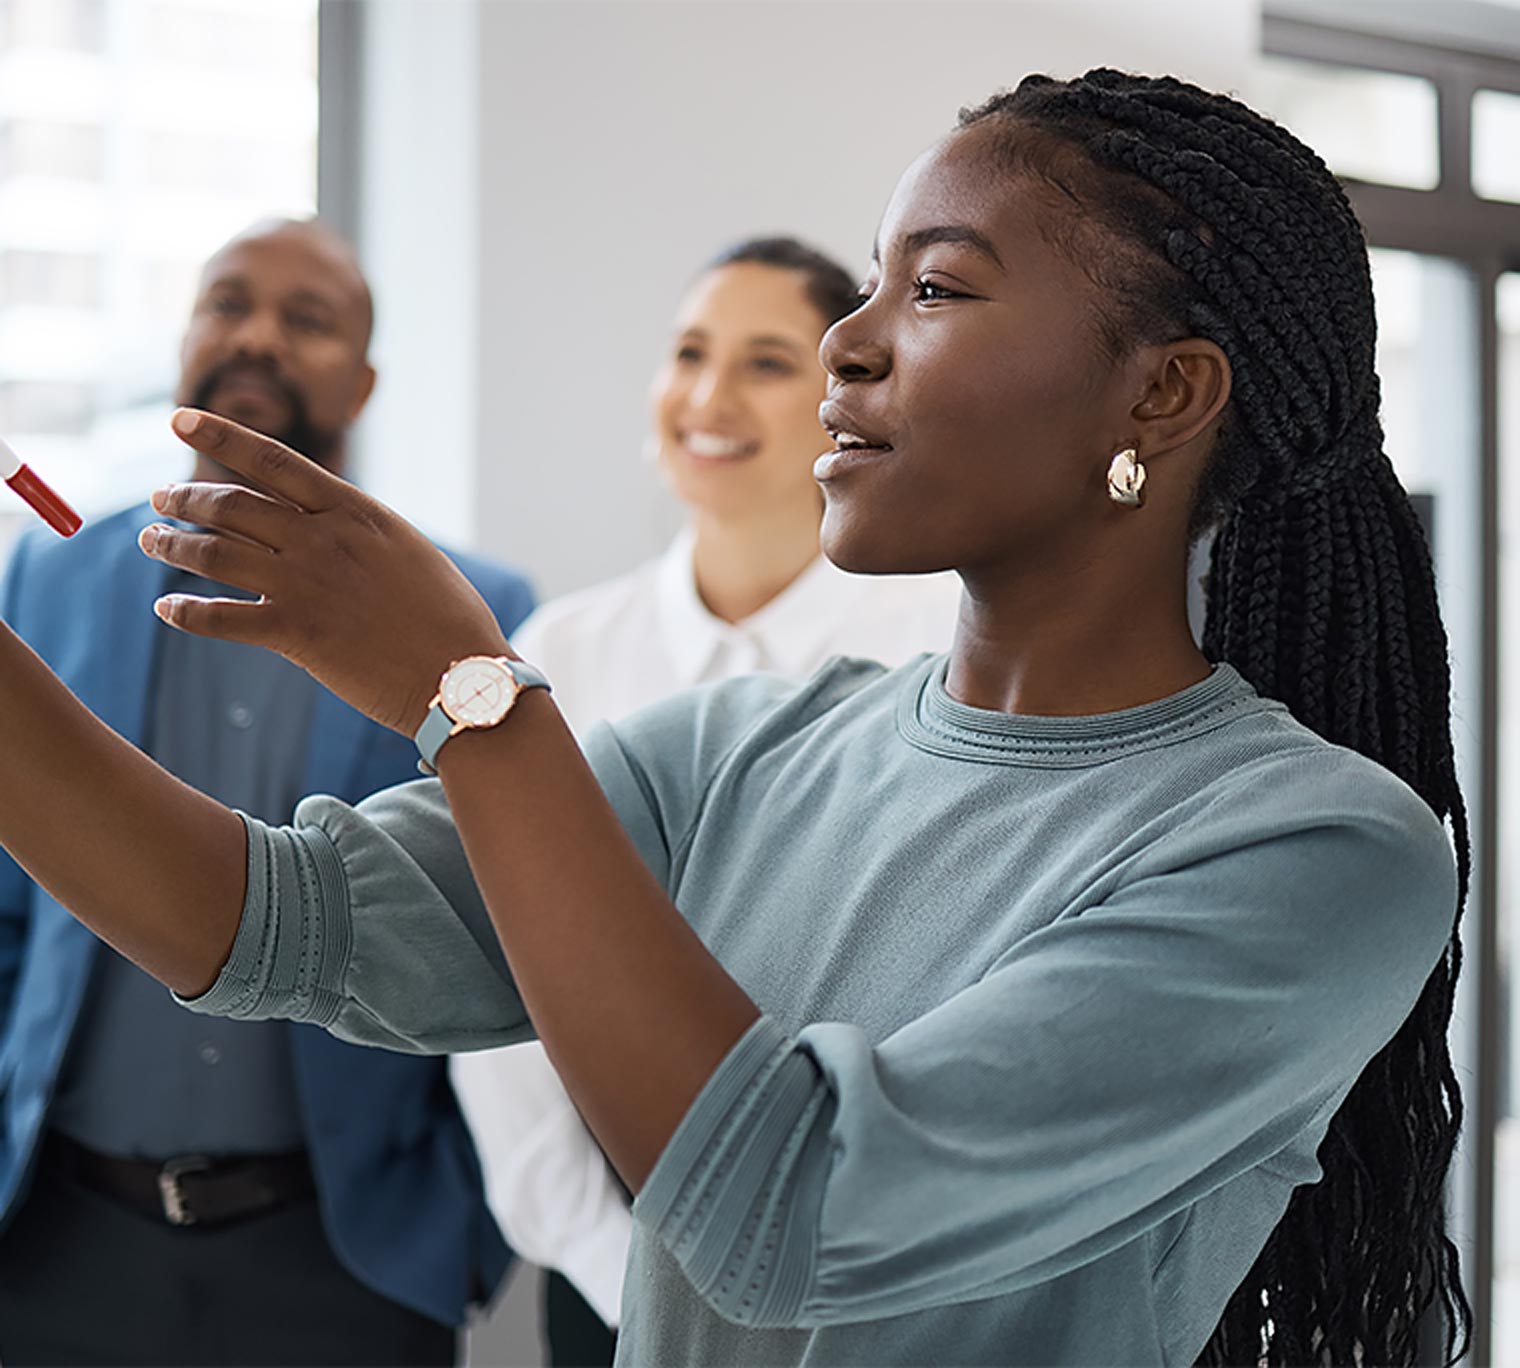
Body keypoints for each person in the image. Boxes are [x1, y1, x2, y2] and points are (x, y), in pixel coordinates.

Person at [0, 69, 1474, 1367]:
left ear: (1163, 395)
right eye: (876, 284)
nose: (850, 342)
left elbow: (793, 1207)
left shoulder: (1320, 850)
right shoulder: (743, 752)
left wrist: (471, 697)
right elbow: (266, 922)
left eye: (939, 289)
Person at [0, 219, 532, 1366]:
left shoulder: (475, 608)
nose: (255, 336)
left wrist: (465, 1237)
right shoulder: (45, 575)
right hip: (54, 1244)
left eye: (307, 319)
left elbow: (517, 925)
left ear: (366, 378)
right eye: (226, 302)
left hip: (350, 1261)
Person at [449, 236, 960, 1365]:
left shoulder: (946, 651)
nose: (708, 396)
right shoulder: (555, 656)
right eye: (689, 352)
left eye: (767, 363)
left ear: (848, 392)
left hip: (876, 1284)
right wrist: (607, 1265)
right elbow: (498, 985)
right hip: (608, 1279)